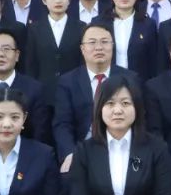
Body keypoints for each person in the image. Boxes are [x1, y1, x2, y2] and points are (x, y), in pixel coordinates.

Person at [52, 23, 138, 173]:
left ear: (113, 46)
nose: (99, 47)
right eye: (92, 42)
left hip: (121, 149)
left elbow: (139, 121)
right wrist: (70, 154)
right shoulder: (68, 82)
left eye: (104, 42)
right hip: (81, 151)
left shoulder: (130, 79)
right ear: (82, 49)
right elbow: (62, 124)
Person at [25, 0, 84, 113]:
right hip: (43, 96)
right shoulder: (34, 29)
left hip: (73, 94)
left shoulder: (81, 28)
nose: (58, 0)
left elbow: (83, 63)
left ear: (69, 0)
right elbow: (30, 64)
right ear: (44, 0)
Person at [93, 0, 159, 82]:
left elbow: (153, 61)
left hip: (139, 83)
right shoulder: (98, 22)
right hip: (107, 83)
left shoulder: (148, 24)